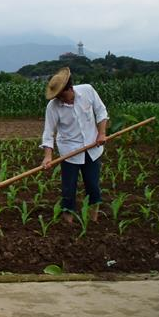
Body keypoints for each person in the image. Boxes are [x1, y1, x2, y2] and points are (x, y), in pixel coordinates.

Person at [41, 67, 109, 223]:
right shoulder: (53, 106)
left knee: (92, 185)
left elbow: (101, 111)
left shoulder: (87, 91)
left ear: (70, 88)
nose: (60, 99)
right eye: (57, 96)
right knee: (68, 189)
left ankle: (93, 219)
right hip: (69, 151)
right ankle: (68, 221)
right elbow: (48, 132)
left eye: (62, 95)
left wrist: (101, 133)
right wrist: (48, 156)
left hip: (92, 148)